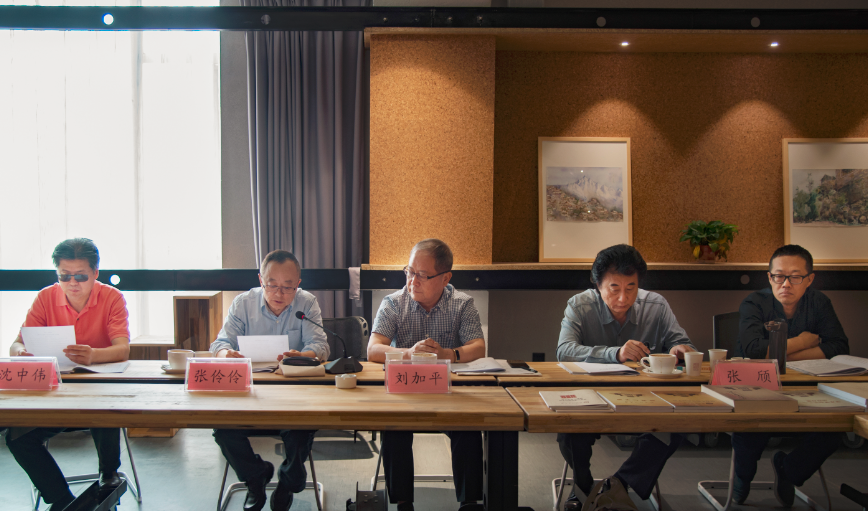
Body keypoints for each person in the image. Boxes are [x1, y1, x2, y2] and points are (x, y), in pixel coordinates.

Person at [555, 244, 696, 511]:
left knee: (677, 424)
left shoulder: (656, 305)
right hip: (591, 396)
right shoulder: (580, 305)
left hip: (646, 398)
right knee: (568, 429)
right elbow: (564, 351)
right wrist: (615, 353)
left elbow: (682, 342)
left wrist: (681, 349)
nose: (623, 298)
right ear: (598, 284)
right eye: (614, 288)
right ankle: (583, 485)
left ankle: (619, 484)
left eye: (631, 287)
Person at [6, 238, 130, 510]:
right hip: (55, 391)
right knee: (17, 437)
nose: (72, 283)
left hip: (98, 387)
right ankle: (62, 501)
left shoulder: (111, 297)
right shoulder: (45, 297)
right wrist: (20, 352)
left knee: (106, 408)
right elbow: (17, 343)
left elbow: (122, 349)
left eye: (81, 276)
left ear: (95, 273)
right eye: (64, 276)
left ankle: (109, 475)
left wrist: (93, 355)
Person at [367, 239, 487, 511]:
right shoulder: (393, 303)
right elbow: (373, 349)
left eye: (422, 274)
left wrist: (448, 354)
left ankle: (470, 502)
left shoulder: (462, 304)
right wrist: (409, 353)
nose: (413, 281)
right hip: (404, 392)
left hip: (448, 394)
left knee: (468, 427)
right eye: (409, 271)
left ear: (445, 278)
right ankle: (403, 502)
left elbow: (478, 347)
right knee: (394, 427)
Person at [210, 249, 329, 511]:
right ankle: (256, 477)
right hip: (250, 393)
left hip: (293, 395)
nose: (279, 293)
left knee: (302, 431)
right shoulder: (243, 303)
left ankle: (287, 484)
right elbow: (219, 343)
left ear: (298, 284)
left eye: (288, 287)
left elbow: (320, 346)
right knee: (223, 429)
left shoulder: (307, 303)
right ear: (260, 280)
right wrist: (225, 354)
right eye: (272, 285)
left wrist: (304, 356)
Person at [731, 244, 847, 507]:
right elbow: (754, 351)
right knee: (749, 428)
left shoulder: (819, 303)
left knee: (833, 430)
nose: (785, 284)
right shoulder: (754, 302)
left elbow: (839, 347)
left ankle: (789, 470)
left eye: (795, 277)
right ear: (769, 277)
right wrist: (803, 341)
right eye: (778, 276)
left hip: (806, 390)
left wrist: (781, 355)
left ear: (809, 279)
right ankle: (743, 475)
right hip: (756, 389)